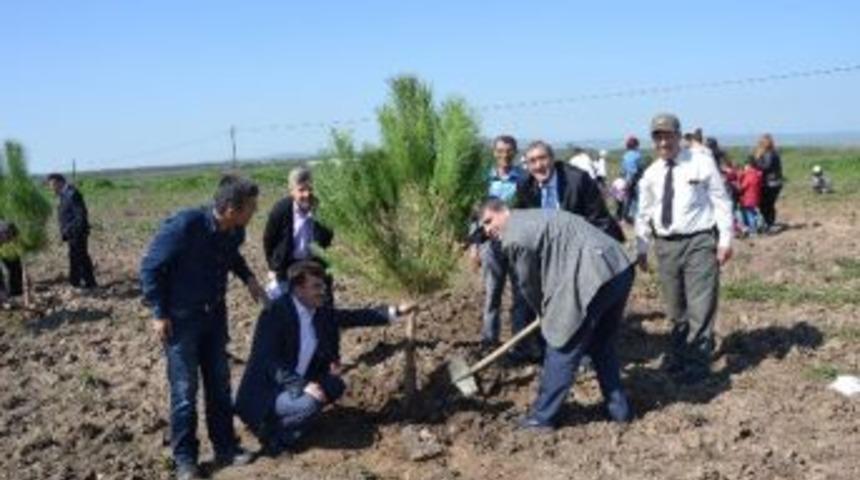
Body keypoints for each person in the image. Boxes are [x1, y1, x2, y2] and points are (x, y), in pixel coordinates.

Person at [140, 176, 266, 480]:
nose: (255, 212)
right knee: (184, 392)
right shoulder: (186, 226)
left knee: (219, 385)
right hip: (181, 321)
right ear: (231, 209)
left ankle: (225, 447)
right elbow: (149, 267)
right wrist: (159, 313)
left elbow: (231, 256)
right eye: (251, 207)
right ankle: (186, 460)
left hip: (214, 317)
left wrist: (248, 277)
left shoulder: (234, 231)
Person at [477, 199, 634, 429]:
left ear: (502, 211)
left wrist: (544, 312)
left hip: (594, 273)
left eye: (489, 221)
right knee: (601, 345)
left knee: (562, 342)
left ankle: (541, 418)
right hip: (619, 267)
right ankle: (620, 411)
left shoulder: (514, 237)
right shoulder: (531, 215)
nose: (488, 230)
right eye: (483, 227)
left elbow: (528, 283)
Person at [235, 260, 415, 454]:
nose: (323, 291)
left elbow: (354, 317)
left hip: (293, 385)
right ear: (298, 288)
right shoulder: (275, 314)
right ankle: (272, 435)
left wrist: (396, 311)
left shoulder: (320, 312)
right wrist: (303, 386)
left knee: (335, 385)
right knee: (309, 404)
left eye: (324, 286)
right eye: (316, 286)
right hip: (267, 391)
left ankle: (289, 419)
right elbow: (269, 363)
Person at [635, 113, 733, 384]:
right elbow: (643, 212)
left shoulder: (700, 162)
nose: (663, 141)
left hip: (699, 241)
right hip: (665, 246)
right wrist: (641, 247)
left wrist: (725, 240)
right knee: (675, 307)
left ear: (679, 136)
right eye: (658, 136)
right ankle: (679, 356)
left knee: (700, 305)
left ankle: (698, 364)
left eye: (668, 135)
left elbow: (721, 200)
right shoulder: (651, 173)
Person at [512, 140, 624, 362]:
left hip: (583, 246)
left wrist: (591, 256)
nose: (538, 166)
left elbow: (599, 219)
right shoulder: (525, 185)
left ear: (552, 159)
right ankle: (546, 349)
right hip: (547, 252)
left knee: (581, 302)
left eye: (542, 159)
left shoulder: (577, 180)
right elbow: (522, 220)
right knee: (543, 300)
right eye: (532, 161)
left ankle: (586, 353)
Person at [467, 135, 529, 352]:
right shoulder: (484, 180)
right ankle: (489, 341)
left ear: (515, 152)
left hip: (517, 244)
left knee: (520, 296)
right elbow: (475, 216)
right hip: (490, 246)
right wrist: (474, 247)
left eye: (509, 151)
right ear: (494, 153)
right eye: (501, 150)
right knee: (492, 294)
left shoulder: (523, 179)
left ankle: (518, 344)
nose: (505, 155)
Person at [262, 166, 334, 300]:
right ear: (292, 191)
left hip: (314, 264)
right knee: (281, 307)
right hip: (288, 266)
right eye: (301, 190)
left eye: (310, 189)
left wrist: (315, 216)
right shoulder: (281, 210)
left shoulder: (322, 209)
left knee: (322, 307)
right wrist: (273, 267)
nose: (307, 194)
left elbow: (327, 237)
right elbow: (268, 240)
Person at [46, 173, 97, 289]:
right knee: (76, 257)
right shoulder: (64, 194)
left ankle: (85, 283)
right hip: (73, 233)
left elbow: (81, 215)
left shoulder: (72, 194)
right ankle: (78, 282)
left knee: (80, 257)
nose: (51, 188)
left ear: (60, 182)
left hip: (77, 233)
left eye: (52, 184)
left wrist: (71, 230)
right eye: (50, 185)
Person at [752, 134, 783, 231]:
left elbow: (766, 167)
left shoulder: (769, 153)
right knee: (768, 204)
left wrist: (755, 163)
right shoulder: (773, 152)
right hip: (775, 182)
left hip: (770, 183)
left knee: (765, 204)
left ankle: (769, 224)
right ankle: (769, 223)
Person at [619, 136, 644, 224]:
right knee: (637, 200)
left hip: (627, 180)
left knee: (627, 200)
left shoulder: (625, 156)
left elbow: (622, 171)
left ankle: (624, 219)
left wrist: (626, 180)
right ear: (636, 145)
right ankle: (636, 219)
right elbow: (641, 168)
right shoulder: (638, 155)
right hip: (636, 180)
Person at [738, 157, 764, 235]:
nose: (744, 167)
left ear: (749, 165)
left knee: (750, 214)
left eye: (745, 166)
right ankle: (760, 224)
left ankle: (753, 231)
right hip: (756, 197)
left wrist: (740, 178)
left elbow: (742, 187)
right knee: (754, 212)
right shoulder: (758, 174)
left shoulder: (749, 175)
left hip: (748, 198)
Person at [0, 220, 23, 301]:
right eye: (8, 237)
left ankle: (15, 291)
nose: (9, 240)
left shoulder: (8, 226)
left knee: (15, 267)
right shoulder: (4, 230)